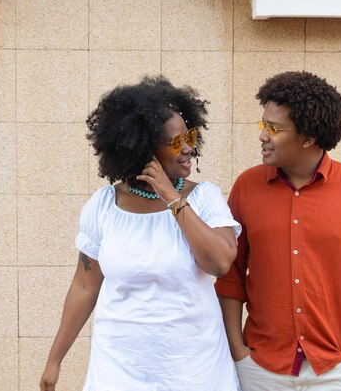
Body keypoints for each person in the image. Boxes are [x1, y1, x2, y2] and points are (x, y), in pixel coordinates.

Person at [39, 76, 242, 391]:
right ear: (143, 150)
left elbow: (219, 263)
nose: (189, 148)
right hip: (119, 369)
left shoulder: (204, 199)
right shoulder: (104, 206)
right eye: (176, 143)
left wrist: (172, 198)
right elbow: (84, 285)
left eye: (189, 136)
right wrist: (55, 360)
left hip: (194, 370)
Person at [215, 71, 341, 391]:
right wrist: (238, 352)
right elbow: (231, 275)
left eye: (274, 128)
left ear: (308, 137)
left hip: (338, 370)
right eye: (263, 124)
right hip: (261, 369)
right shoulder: (247, 187)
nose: (263, 136)